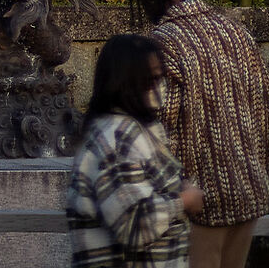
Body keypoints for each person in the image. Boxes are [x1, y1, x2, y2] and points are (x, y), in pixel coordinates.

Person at [129, 0, 269, 268]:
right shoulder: (236, 32)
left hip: (201, 200)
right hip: (251, 189)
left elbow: (164, 126)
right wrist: (260, 171)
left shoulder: (161, 43)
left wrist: (177, 192)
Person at [67, 31, 204, 267]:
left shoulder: (135, 130)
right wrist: (183, 200)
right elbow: (134, 223)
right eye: (150, 80)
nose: (159, 87)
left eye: (161, 78)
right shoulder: (118, 138)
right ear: (125, 83)